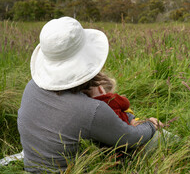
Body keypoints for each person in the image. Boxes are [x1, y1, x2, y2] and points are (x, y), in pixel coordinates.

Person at [17, 17, 164, 173]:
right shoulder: (91, 109)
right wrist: (150, 125)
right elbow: (130, 138)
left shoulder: (31, 87)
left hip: (31, 169)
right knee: (164, 139)